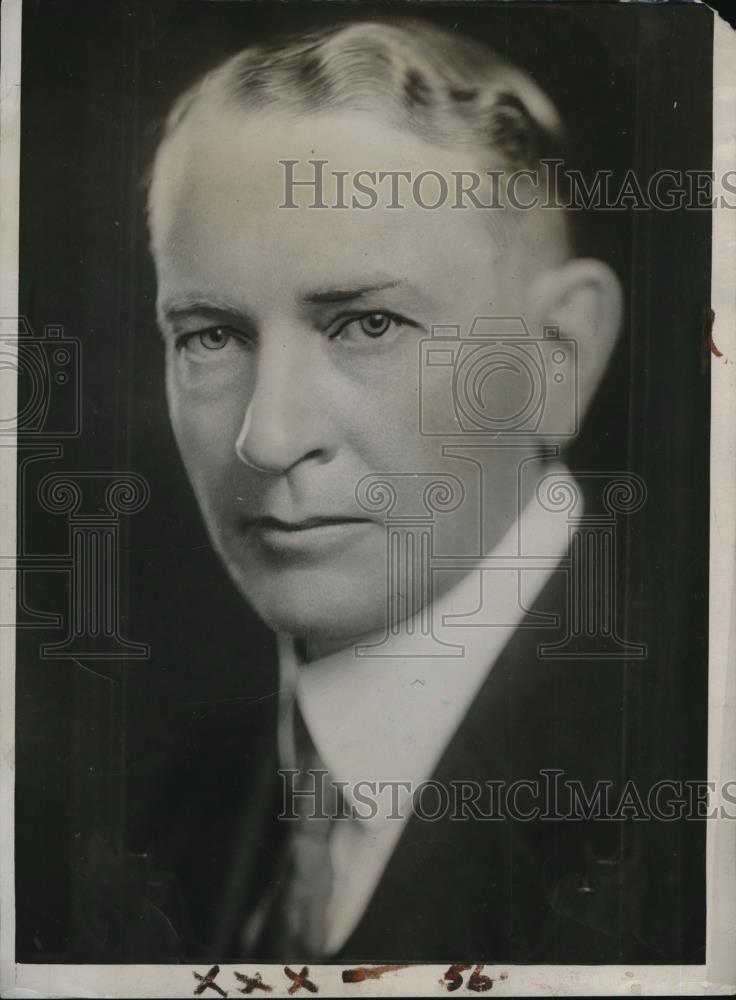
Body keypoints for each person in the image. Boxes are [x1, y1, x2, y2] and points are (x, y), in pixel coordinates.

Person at [136, 18, 646, 963]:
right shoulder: (183, 800)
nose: (269, 437)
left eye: (367, 323)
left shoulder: (679, 786)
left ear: (557, 357)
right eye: (210, 335)